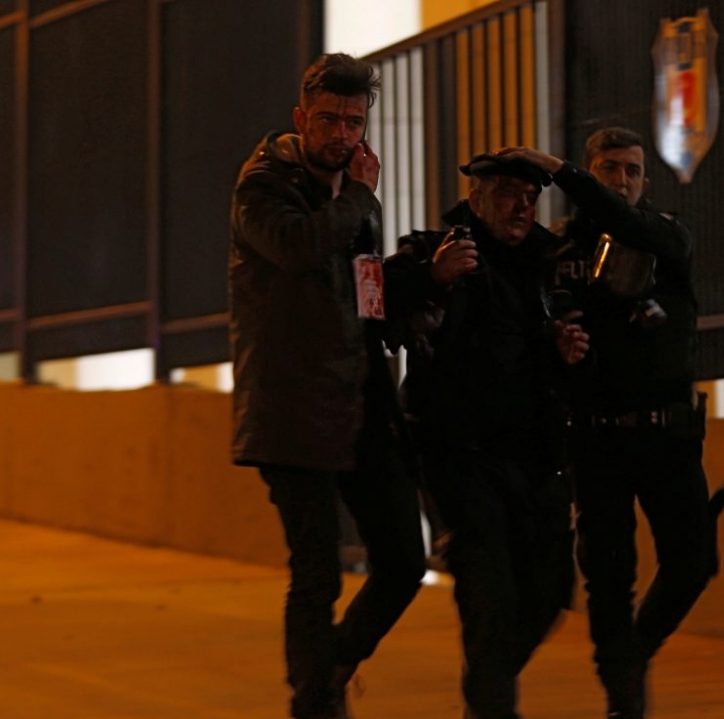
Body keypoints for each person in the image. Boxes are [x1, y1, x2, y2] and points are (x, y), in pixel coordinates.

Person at [499, 129, 724, 719]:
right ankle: (623, 699)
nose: (621, 181)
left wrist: (560, 171)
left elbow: (635, 228)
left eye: (630, 171)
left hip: (667, 435)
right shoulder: (559, 252)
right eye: (608, 170)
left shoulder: (665, 237)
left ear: (644, 181)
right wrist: (560, 346)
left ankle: (631, 657)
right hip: (597, 437)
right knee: (607, 578)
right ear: (593, 173)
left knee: (693, 561)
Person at [228, 53, 426, 719]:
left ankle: (330, 669)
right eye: (329, 119)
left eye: (354, 120)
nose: (342, 133)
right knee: (314, 572)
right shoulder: (262, 186)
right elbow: (297, 246)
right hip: (292, 409)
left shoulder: (353, 202)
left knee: (403, 559)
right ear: (300, 119)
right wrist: (364, 197)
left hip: (360, 401)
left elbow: (365, 294)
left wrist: (422, 288)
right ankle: (315, 702)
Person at [383, 155, 584, 719]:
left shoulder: (547, 262)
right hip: (459, 454)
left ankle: (485, 692)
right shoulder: (435, 249)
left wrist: (563, 351)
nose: (521, 206)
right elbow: (377, 301)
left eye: (529, 196)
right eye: (507, 194)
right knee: (490, 591)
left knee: (547, 593)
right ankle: (493, 706)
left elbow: (543, 350)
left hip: (534, 456)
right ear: (476, 200)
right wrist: (432, 278)